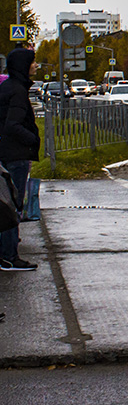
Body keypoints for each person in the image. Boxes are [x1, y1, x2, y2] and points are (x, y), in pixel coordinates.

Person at [0, 46, 41, 271]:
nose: (35, 66)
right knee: (12, 207)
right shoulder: (16, 90)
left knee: (5, 204)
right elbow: (13, 125)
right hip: (15, 155)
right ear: (23, 66)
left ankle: (5, 253)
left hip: (7, 152)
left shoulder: (9, 86)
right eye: (32, 62)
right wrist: (33, 140)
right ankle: (9, 257)